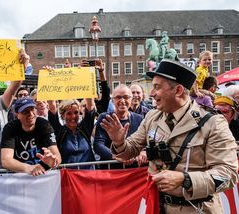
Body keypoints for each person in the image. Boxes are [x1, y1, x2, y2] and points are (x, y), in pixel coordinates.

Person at [101, 59, 238, 213]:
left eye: (157, 87)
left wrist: (185, 179)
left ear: (178, 90)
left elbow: (228, 175)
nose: (152, 93)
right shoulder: (152, 117)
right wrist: (118, 141)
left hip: (197, 209)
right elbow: (129, 151)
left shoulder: (212, 123)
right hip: (158, 207)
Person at [1, 98, 61, 176]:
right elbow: (6, 161)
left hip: (44, 176)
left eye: (32, 109)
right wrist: (29, 168)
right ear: (17, 115)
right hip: (19, 178)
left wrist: (51, 162)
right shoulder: (10, 128)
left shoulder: (44, 124)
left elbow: (57, 157)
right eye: (25, 111)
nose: (31, 114)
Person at [94, 84, 145, 169]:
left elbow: (144, 142)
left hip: (134, 171)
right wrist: (117, 156)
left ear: (131, 99)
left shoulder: (139, 119)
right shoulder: (105, 118)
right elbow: (98, 145)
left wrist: (143, 152)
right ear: (113, 100)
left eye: (126, 97)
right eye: (118, 97)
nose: (122, 101)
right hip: (111, 170)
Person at [48, 98, 96, 168]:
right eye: (69, 113)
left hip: (88, 175)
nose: (73, 116)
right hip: (69, 176)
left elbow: (90, 105)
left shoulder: (85, 128)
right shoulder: (59, 131)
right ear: (63, 116)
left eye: (76, 112)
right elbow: (52, 108)